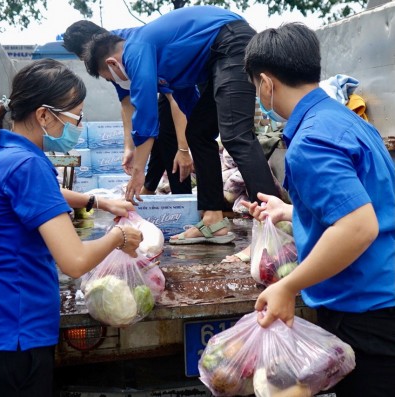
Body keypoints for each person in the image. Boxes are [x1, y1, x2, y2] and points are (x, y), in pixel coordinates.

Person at [0, 59, 143, 397]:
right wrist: (119, 237)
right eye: (76, 117)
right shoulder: (28, 164)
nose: (78, 125)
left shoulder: (0, 154)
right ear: (44, 115)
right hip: (15, 347)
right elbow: (73, 261)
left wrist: (97, 201)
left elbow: (44, 195)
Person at [243, 22, 395, 396]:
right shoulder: (346, 120)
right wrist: (292, 212)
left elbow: (358, 227)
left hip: (366, 309)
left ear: (265, 83)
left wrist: (288, 287)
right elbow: (364, 204)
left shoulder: (310, 141)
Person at [84, 6, 280, 245]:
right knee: (198, 133)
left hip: (231, 43)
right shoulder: (161, 58)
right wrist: (193, 139)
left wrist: (138, 173)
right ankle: (213, 220)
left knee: (236, 135)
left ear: (112, 63)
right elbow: (187, 100)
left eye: (108, 78)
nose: (116, 82)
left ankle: (275, 224)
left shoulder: (136, 49)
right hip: (215, 59)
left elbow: (145, 114)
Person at [63, 20, 194, 195]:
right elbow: (126, 102)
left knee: (166, 133)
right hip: (170, 89)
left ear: (91, 47)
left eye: (82, 56)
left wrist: (183, 149)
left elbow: (174, 98)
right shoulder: (107, 57)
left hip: (190, 77)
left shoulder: (125, 51)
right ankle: (150, 188)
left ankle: (183, 198)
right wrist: (128, 147)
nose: (84, 62)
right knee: (158, 134)